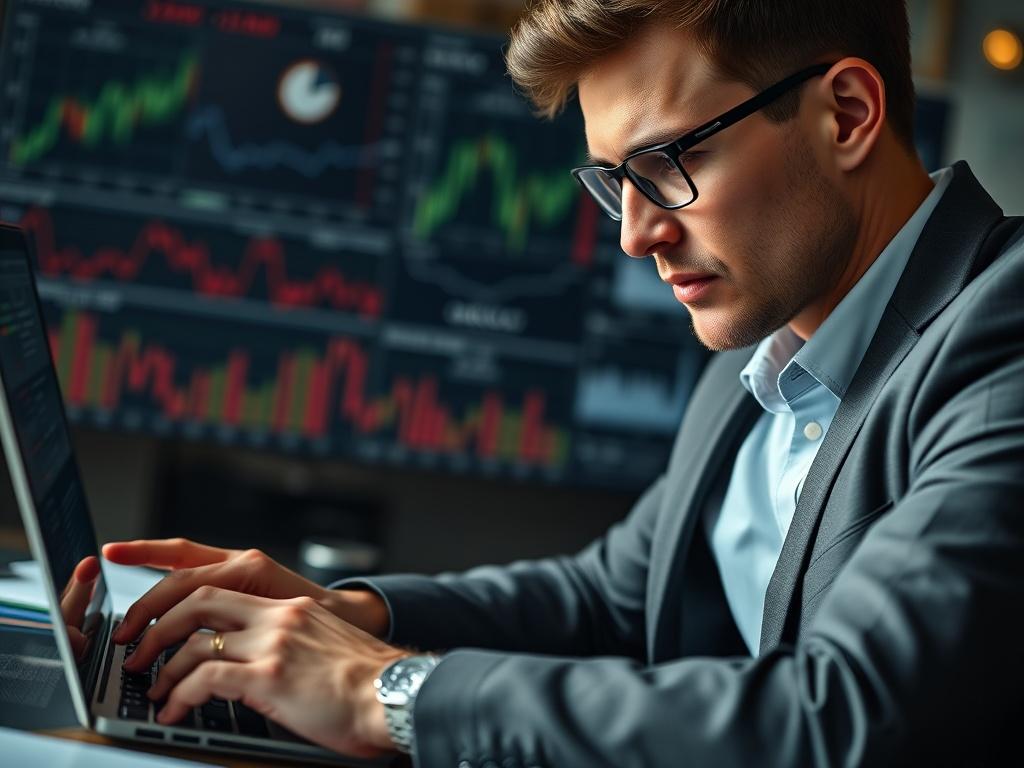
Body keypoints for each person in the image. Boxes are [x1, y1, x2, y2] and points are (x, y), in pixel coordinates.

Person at [103, 0, 1024, 765]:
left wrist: (382, 691)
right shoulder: (769, 347)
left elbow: (852, 712)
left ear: (846, 115)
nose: (635, 236)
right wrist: (344, 616)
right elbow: (613, 599)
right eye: (615, 179)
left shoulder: (1003, 329)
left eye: (670, 163)